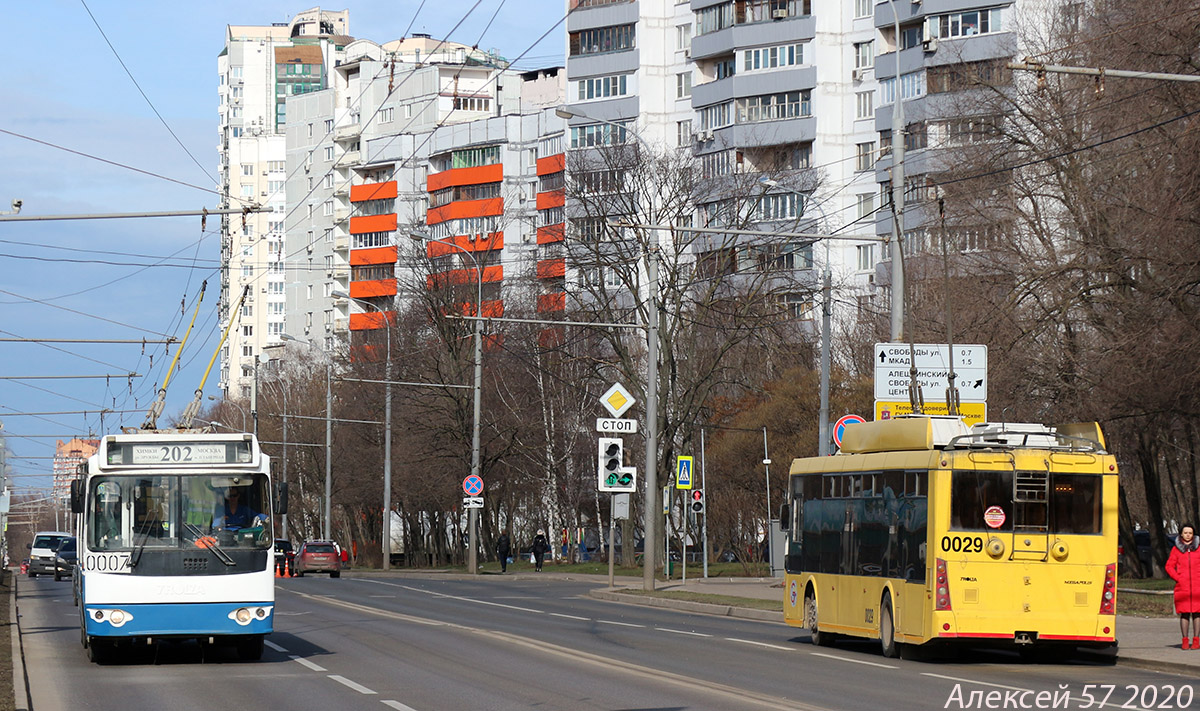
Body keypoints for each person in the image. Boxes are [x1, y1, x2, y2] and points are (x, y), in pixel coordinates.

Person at [1166, 524, 1199, 649]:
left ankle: (1196, 640)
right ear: (1181, 534)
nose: (1188, 535)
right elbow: (1169, 566)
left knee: (1197, 614)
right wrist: (1178, 578)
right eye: (1185, 533)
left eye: (1190, 533)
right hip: (1182, 587)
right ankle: (1185, 640)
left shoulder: (1199, 548)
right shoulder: (1176, 550)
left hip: (1197, 587)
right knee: (1184, 614)